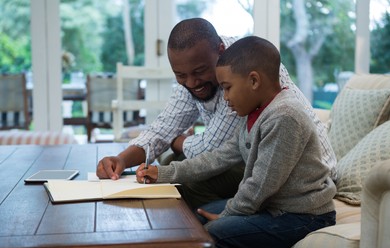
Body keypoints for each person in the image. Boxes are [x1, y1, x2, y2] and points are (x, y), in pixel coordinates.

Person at [96, 17, 336, 209]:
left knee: (181, 180)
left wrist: (178, 142)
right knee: (170, 163)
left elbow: (211, 150)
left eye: (199, 71)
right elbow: (164, 127)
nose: (191, 82)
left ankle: (187, 242)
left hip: (300, 172)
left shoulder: (245, 68)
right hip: (249, 157)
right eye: (180, 75)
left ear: (220, 51)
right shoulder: (194, 69)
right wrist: (121, 159)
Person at [135, 36, 337, 248]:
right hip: (274, 207)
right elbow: (217, 158)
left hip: (302, 216)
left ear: (253, 81)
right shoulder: (254, 113)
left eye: (227, 88)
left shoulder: (285, 116)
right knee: (194, 218)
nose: (225, 98)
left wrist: (228, 215)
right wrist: (164, 174)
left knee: (214, 235)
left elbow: (260, 184)